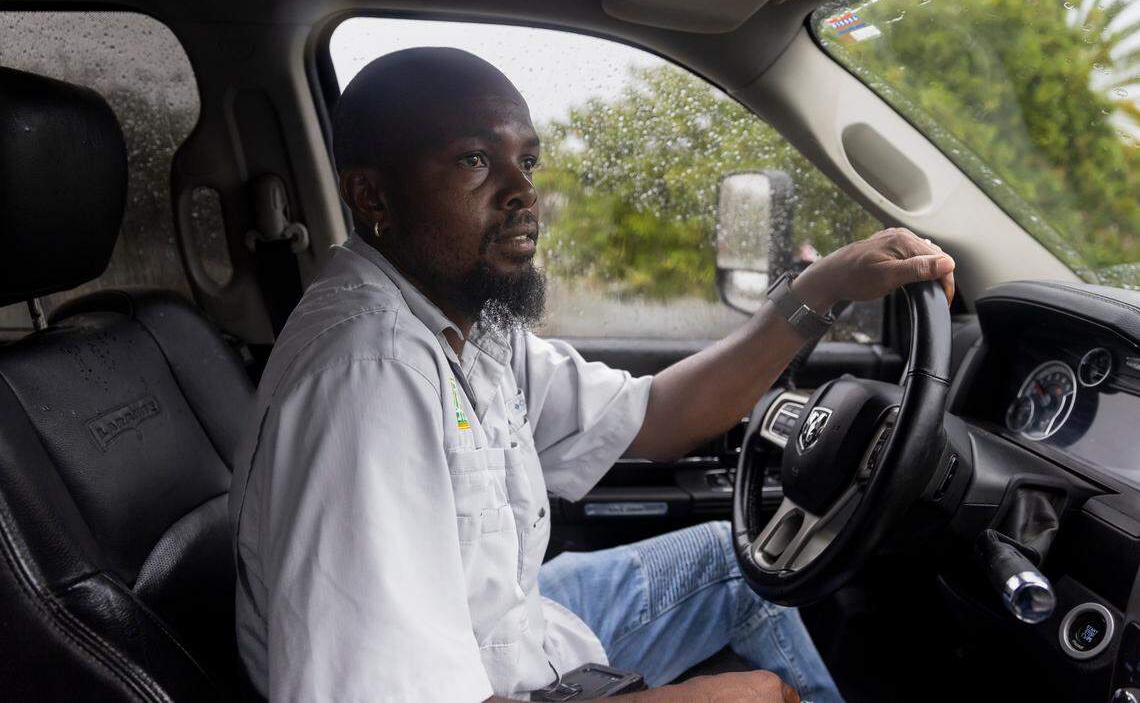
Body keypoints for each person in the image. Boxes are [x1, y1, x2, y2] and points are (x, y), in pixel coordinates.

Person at [228, 47, 955, 702]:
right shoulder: (369, 378)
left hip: (519, 632)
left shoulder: (465, 325)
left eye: (528, 162)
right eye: (476, 160)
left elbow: (658, 416)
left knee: (735, 564)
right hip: (490, 681)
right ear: (373, 197)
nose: (523, 192)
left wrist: (817, 292)